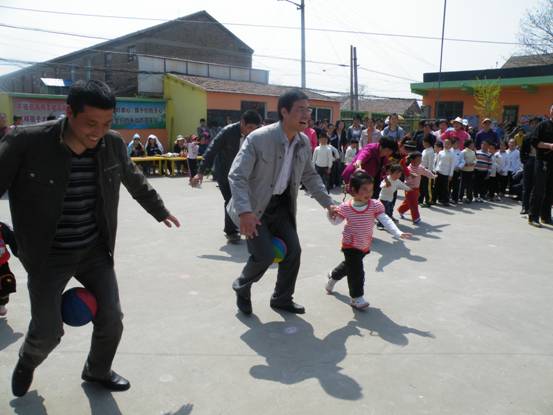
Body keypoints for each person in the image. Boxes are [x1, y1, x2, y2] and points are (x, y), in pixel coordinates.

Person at [0, 80, 180, 397]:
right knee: (48, 331)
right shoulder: (26, 142)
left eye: (107, 123)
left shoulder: (112, 143)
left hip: (94, 250)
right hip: (47, 256)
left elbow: (134, 179)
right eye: (91, 123)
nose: (98, 132)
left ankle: (97, 370)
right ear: (69, 112)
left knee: (112, 319)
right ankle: (28, 361)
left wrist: (159, 209)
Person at [227, 89, 335, 316]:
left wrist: (328, 203)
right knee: (264, 255)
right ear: (284, 112)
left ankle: (282, 298)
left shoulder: (303, 142)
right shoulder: (258, 138)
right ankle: (242, 286)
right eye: (301, 109)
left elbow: (310, 176)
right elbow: (237, 176)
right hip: (255, 208)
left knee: (293, 251)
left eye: (308, 110)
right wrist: (244, 212)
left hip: (282, 207)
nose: (307, 115)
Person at [325, 170, 411, 309]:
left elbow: (385, 219)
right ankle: (356, 298)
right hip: (350, 244)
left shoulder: (374, 205)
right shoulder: (345, 207)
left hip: (364, 244)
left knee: (350, 266)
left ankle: (333, 276)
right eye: (364, 189)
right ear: (353, 190)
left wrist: (397, 232)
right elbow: (335, 222)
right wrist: (329, 213)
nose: (368, 193)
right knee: (357, 271)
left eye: (370, 190)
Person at [191, 110, 262, 243]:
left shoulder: (257, 135)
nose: (252, 131)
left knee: (249, 201)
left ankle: (249, 227)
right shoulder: (227, 132)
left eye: (255, 128)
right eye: (249, 127)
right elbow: (211, 150)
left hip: (245, 174)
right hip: (225, 172)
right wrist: (200, 172)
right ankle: (231, 232)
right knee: (231, 200)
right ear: (242, 122)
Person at [528, 104, 553, 227]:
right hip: (542, 161)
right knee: (539, 189)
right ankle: (533, 217)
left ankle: (546, 217)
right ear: (550, 111)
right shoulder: (543, 125)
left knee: (550, 191)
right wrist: (549, 146)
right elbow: (534, 141)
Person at [398, 152, 436, 223]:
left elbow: (426, 172)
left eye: (420, 159)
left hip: (417, 188)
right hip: (409, 189)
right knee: (414, 204)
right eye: (418, 159)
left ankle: (401, 210)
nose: (420, 161)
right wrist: (411, 177)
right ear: (412, 160)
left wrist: (433, 176)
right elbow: (407, 179)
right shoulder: (408, 169)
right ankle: (416, 218)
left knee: (409, 202)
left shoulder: (420, 167)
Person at [0, 221, 17, 317]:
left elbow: (13, 238)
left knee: (7, 283)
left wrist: (19, 251)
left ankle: (2, 304)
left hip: (2, 264)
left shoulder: (2, 228)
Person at [433, 138, 455, 206]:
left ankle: (445, 200)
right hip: (439, 171)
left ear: (451, 145)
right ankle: (434, 200)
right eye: (445, 143)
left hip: (446, 173)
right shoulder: (440, 152)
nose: (446, 145)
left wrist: (451, 175)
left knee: (445, 188)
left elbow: (452, 165)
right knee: (436, 186)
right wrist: (435, 170)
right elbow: (438, 162)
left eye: (448, 144)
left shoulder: (452, 154)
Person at [419, 135, 436, 207]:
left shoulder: (431, 151)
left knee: (427, 187)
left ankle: (428, 201)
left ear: (428, 143)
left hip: (427, 171)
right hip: (422, 170)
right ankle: (420, 200)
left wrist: (429, 172)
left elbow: (431, 163)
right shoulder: (424, 150)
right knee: (422, 186)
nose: (423, 143)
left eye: (424, 142)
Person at [460, 139, 476, 203]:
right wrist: (466, 164)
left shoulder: (473, 152)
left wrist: (473, 163)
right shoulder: (463, 152)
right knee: (462, 185)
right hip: (464, 170)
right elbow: (461, 160)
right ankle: (460, 197)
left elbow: (475, 159)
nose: (473, 145)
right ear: (468, 145)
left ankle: (469, 197)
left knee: (470, 185)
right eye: (472, 144)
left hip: (471, 170)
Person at [449, 138, 465, 204]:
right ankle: (446, 198)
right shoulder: (449, 151)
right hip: (449, 171)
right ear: (452, 144)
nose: (458, 144)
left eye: (458, 143)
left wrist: (459, 167)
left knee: (456, 186)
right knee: (448, 185)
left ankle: (454, 199)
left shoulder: (460, 152)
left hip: (456, 171)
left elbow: (463, 161)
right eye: (456, 143)